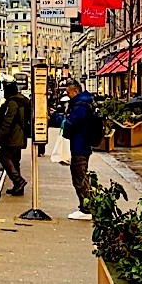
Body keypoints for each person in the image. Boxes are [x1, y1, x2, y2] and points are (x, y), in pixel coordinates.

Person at [61, 80, 98, 220]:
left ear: (75, 91)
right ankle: (88, 205)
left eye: (68, 92)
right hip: (83, 144)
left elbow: (72, 124)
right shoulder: (85, 101)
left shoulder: (80, 105)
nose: (67, 95)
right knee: (81, 175)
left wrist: (58, 118)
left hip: (80, 145)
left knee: (79, 176)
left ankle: (86, 208)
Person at [0, 82, 32, 197]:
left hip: (12, 137)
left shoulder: (13, 103)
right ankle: (18, 187)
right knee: (15, 161)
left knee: (4, 158)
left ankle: (19, 181)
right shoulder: (23, 102)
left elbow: (7, 123)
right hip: (20, 136)